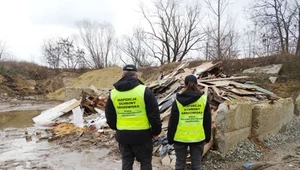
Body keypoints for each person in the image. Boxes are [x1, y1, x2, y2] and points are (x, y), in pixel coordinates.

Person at [105, 64, 162, 170]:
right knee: (145, 161)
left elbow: (109, 115)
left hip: (123, 136)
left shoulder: (113, 93)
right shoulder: (144, 91)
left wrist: (116, 128)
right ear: (136, 76)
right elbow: (154, 114)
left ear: (122, 75)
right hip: (143, 135)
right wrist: (156, 132)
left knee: (126, 161)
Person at [167, 75, 212, 170]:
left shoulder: (177, 101)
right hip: (198, 137)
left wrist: (170, 138)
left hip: (180, 137)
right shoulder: (203, 100)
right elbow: (207, 121)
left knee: (179, 164)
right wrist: (207, 138)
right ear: (197, 84)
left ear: (184, 85)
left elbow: (173, 122)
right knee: (196, 165)